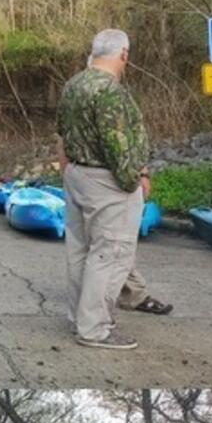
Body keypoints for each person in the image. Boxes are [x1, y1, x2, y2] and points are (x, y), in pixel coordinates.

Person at [56, 28, 171, 350]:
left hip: (77, 174)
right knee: (110, 253)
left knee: (80, 250)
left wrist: (67, 171)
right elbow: (119, 145)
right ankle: (94, 329)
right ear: (123, 55)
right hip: (107, 181)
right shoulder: (110, 92)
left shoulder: (73, 85)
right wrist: (134, 180)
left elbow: (62, 134)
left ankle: (79, 316)